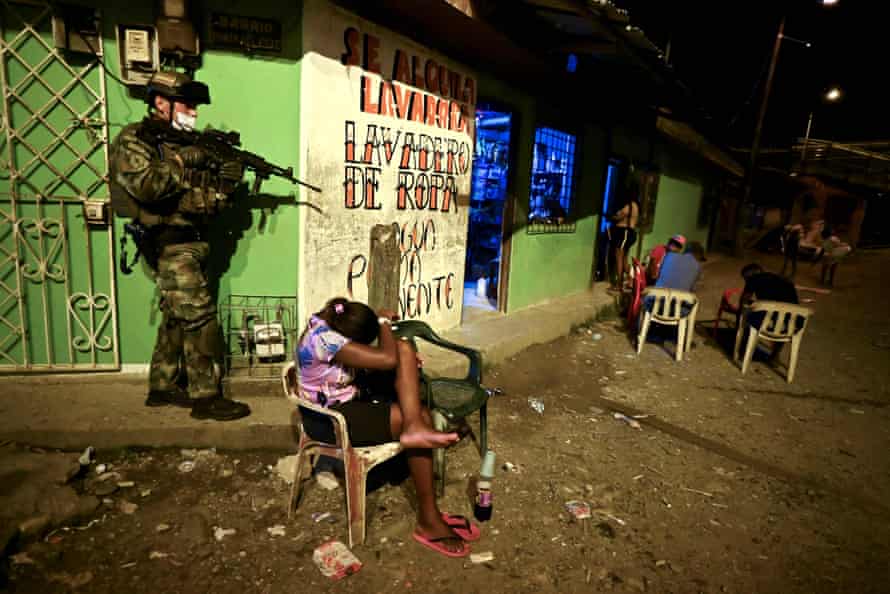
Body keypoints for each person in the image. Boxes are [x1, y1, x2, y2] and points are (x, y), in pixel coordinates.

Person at [108, 71, 250, 421]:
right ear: (161, 102)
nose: (195, 112)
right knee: (200, 318)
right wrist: (186, 159)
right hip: (169, 244)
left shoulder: (185, 141)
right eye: (188, 104)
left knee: (177, 316)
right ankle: (205, 398)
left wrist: (227, 180)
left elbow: (207, 193)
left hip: (195, 241)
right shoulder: (134, 141)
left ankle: (162, 385)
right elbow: (147, 186)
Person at [296, 298, 475, 558]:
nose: (361, 348)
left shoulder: (328, 320)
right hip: (329, 420)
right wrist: (382, 324)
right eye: (360, 344)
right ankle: (429, 520)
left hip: (346, 400)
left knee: (406, 358)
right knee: (405, 373)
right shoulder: (326, 339)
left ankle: (429, 511)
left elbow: (382, 359)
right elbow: (387, 358)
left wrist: (404, 361)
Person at [738, 263, 800, 359]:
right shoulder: (784, 280)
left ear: (751, 274)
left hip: (770, 315)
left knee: (747, 313)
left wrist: (740, 313)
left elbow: (744, 299)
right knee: (782, 318)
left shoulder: (753, 279)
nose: (745, 281)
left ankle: (743, 349)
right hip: (793, 323)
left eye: (745, 278)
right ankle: (775, 355)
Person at [606, 192, 640, 292]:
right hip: (628, 233)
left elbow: (619, 216)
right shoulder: (635, 205)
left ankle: (619, 284)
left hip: (624, 233)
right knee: (624, 259)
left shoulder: (630, 205)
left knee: (619, 258)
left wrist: (609, 216)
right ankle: (634, 280)